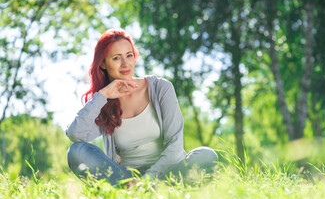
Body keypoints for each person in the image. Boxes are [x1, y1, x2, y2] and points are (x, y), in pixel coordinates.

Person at [66, 28, 218, 186]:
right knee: (76, 152)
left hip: (167, 173)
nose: (125, 64)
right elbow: (76, 135)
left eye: (129, 55)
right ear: (103, 63)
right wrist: (102, 96)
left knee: (206, 156)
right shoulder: (104, 102)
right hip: (126, 178)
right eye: (116, 58)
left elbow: (175, 146)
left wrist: (148, 180)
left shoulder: (160, 88)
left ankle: (152, 189)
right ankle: (135, 189)